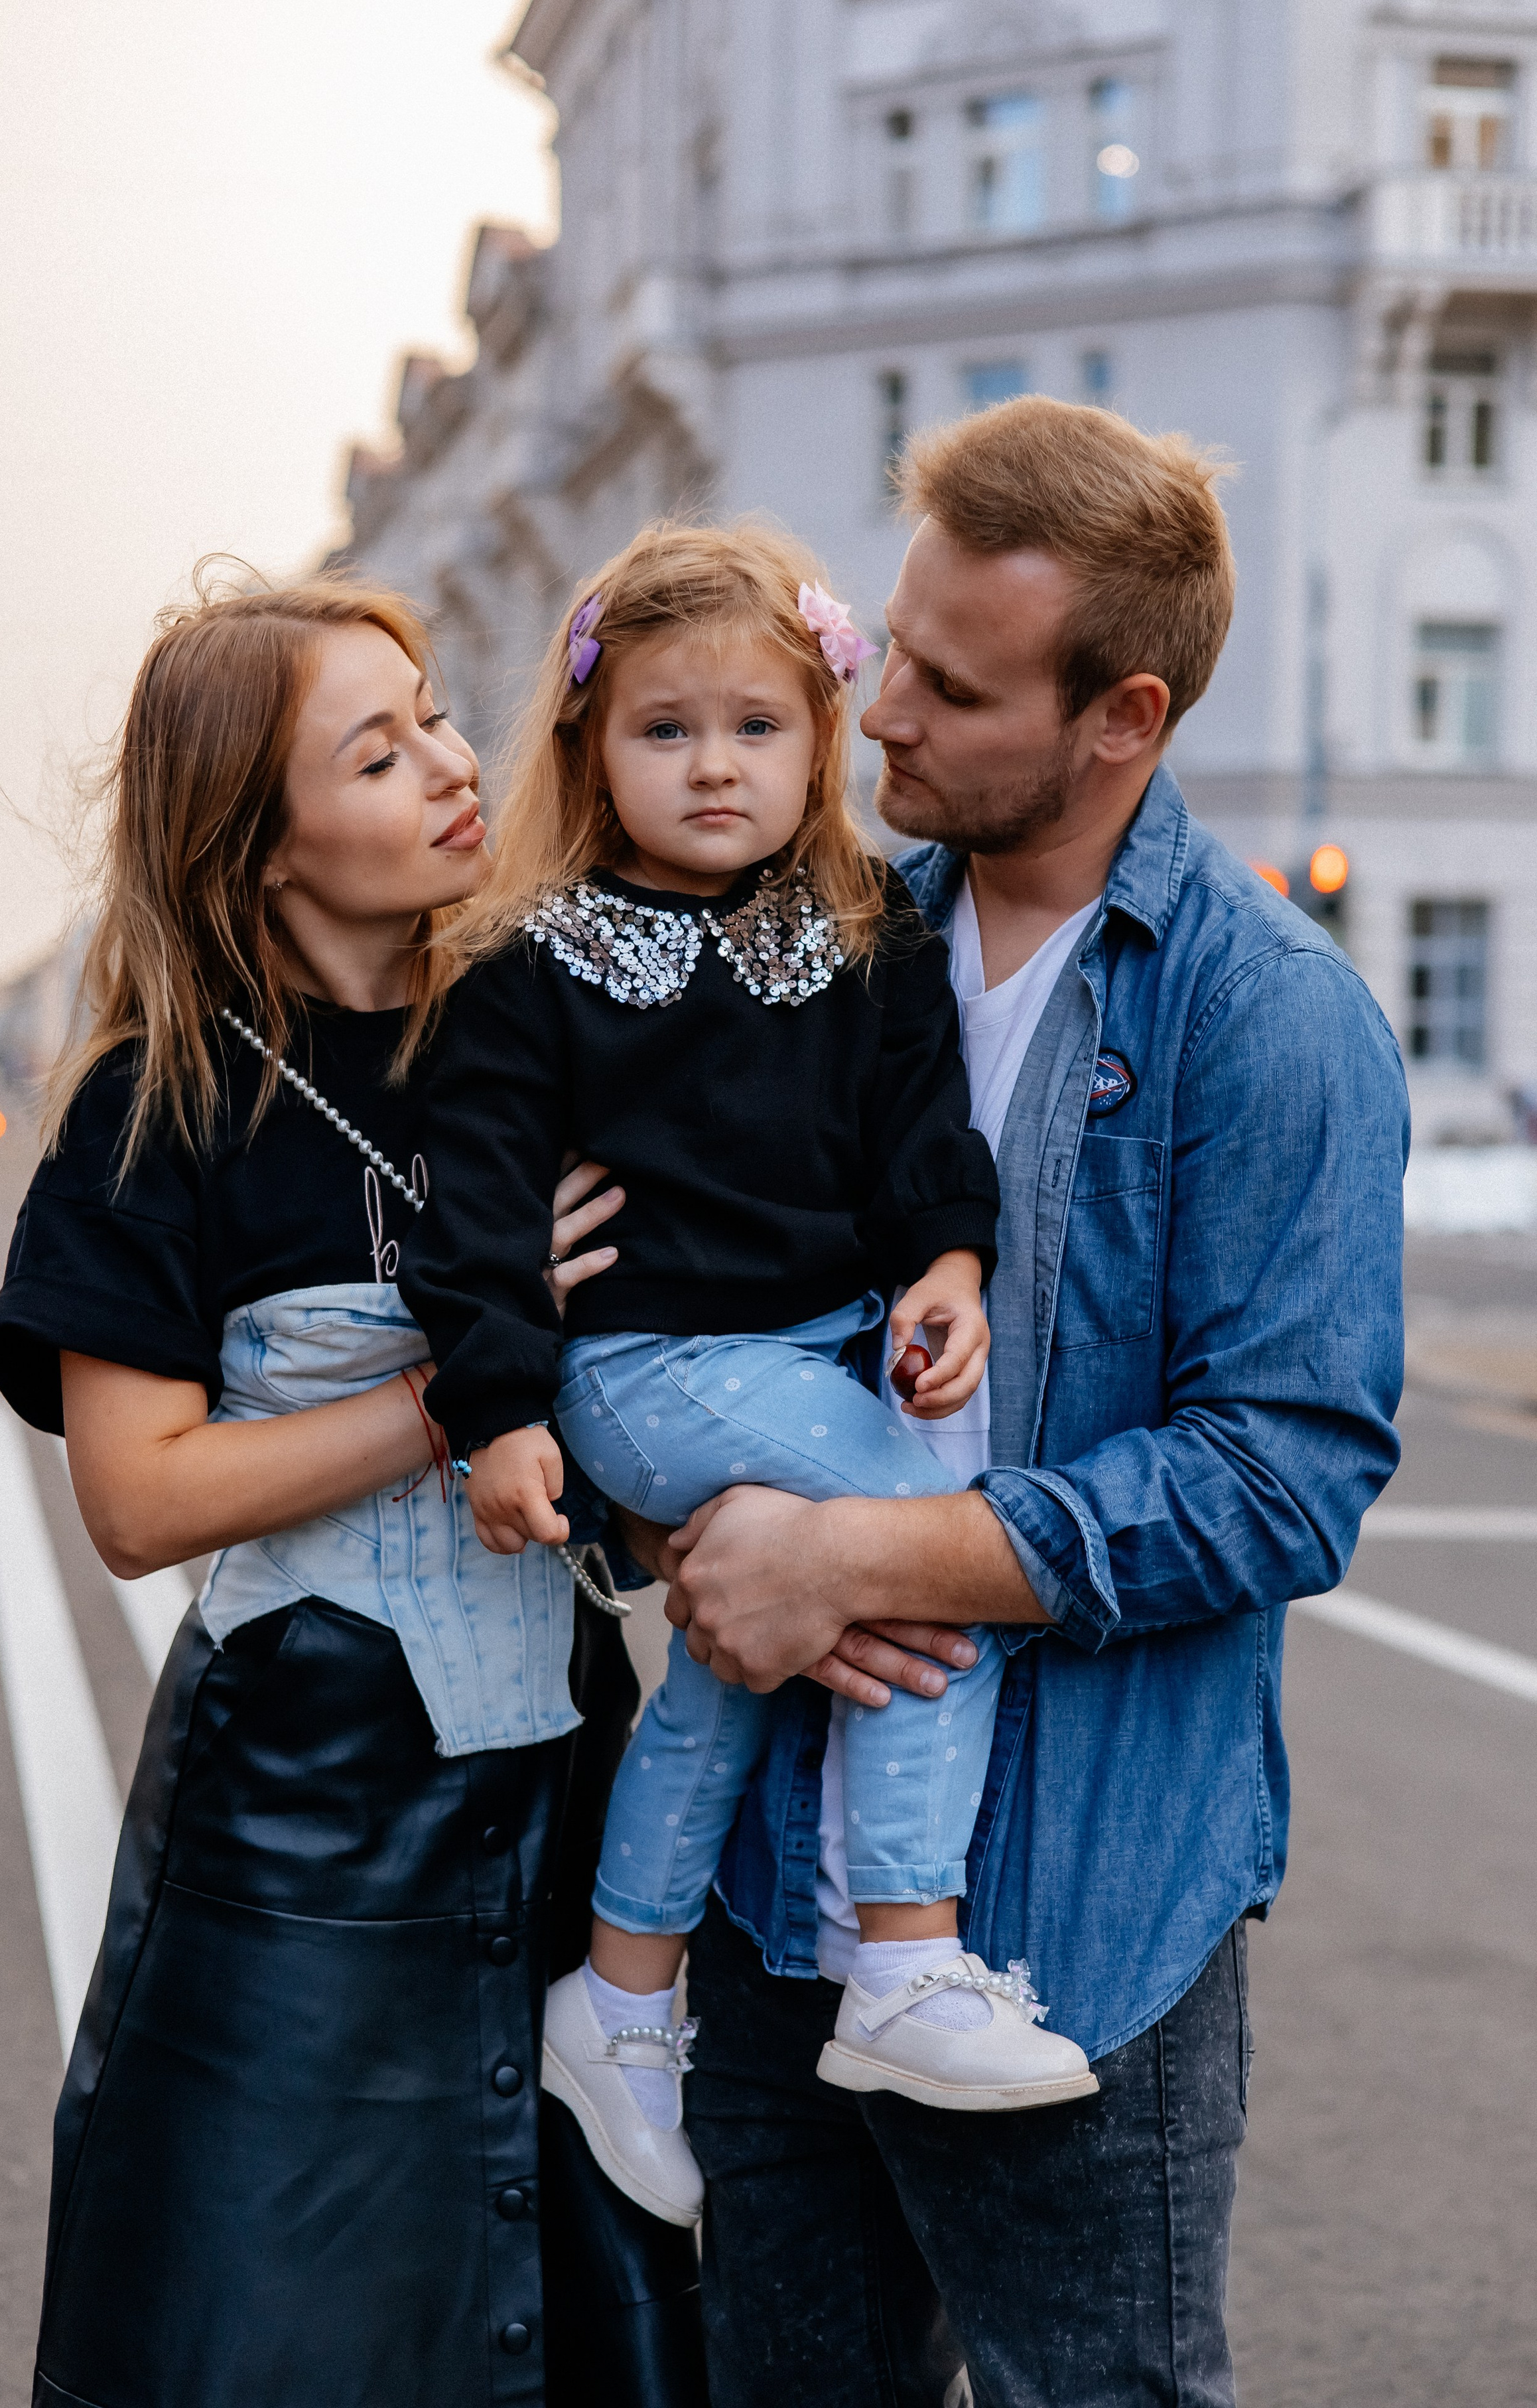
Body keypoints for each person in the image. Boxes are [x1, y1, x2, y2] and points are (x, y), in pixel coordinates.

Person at [635, 398, 1408, 2408]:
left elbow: (1281, 1479)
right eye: (891, 646)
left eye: (952, 687)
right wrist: (675, 1508)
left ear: (1120, 718)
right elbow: (702, 1331)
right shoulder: (815, 946)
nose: (877, 715)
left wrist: (847, 1557)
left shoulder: (1264, 1009)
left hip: (1076, 1934)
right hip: (777, 1895)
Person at [0, 576, 707, 2408]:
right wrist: (464, 1370)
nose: (454, 767)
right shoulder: (163, 1107)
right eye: (376, 754)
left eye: (437, 718)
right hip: (300, 1805)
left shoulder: (541, 1042)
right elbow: (140, 1501)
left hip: (565, 1763)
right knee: (279, 2305)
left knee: (609, 2277)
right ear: (259, 841)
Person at [401, 522, 1095, 2231]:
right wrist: (498, 1411)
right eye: (664, 729)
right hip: (643, 1370)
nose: (714, 764)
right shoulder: (528, 965)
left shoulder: (865, 940)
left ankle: (622, 1997)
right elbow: (474, 1214)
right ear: (590, 745)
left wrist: (945, 1268)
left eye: (755, 728)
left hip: (814, 1359)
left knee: (743, 1646)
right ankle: (907, 1956)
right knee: (938, 1525)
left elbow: (922, 1144)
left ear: (819, 739)